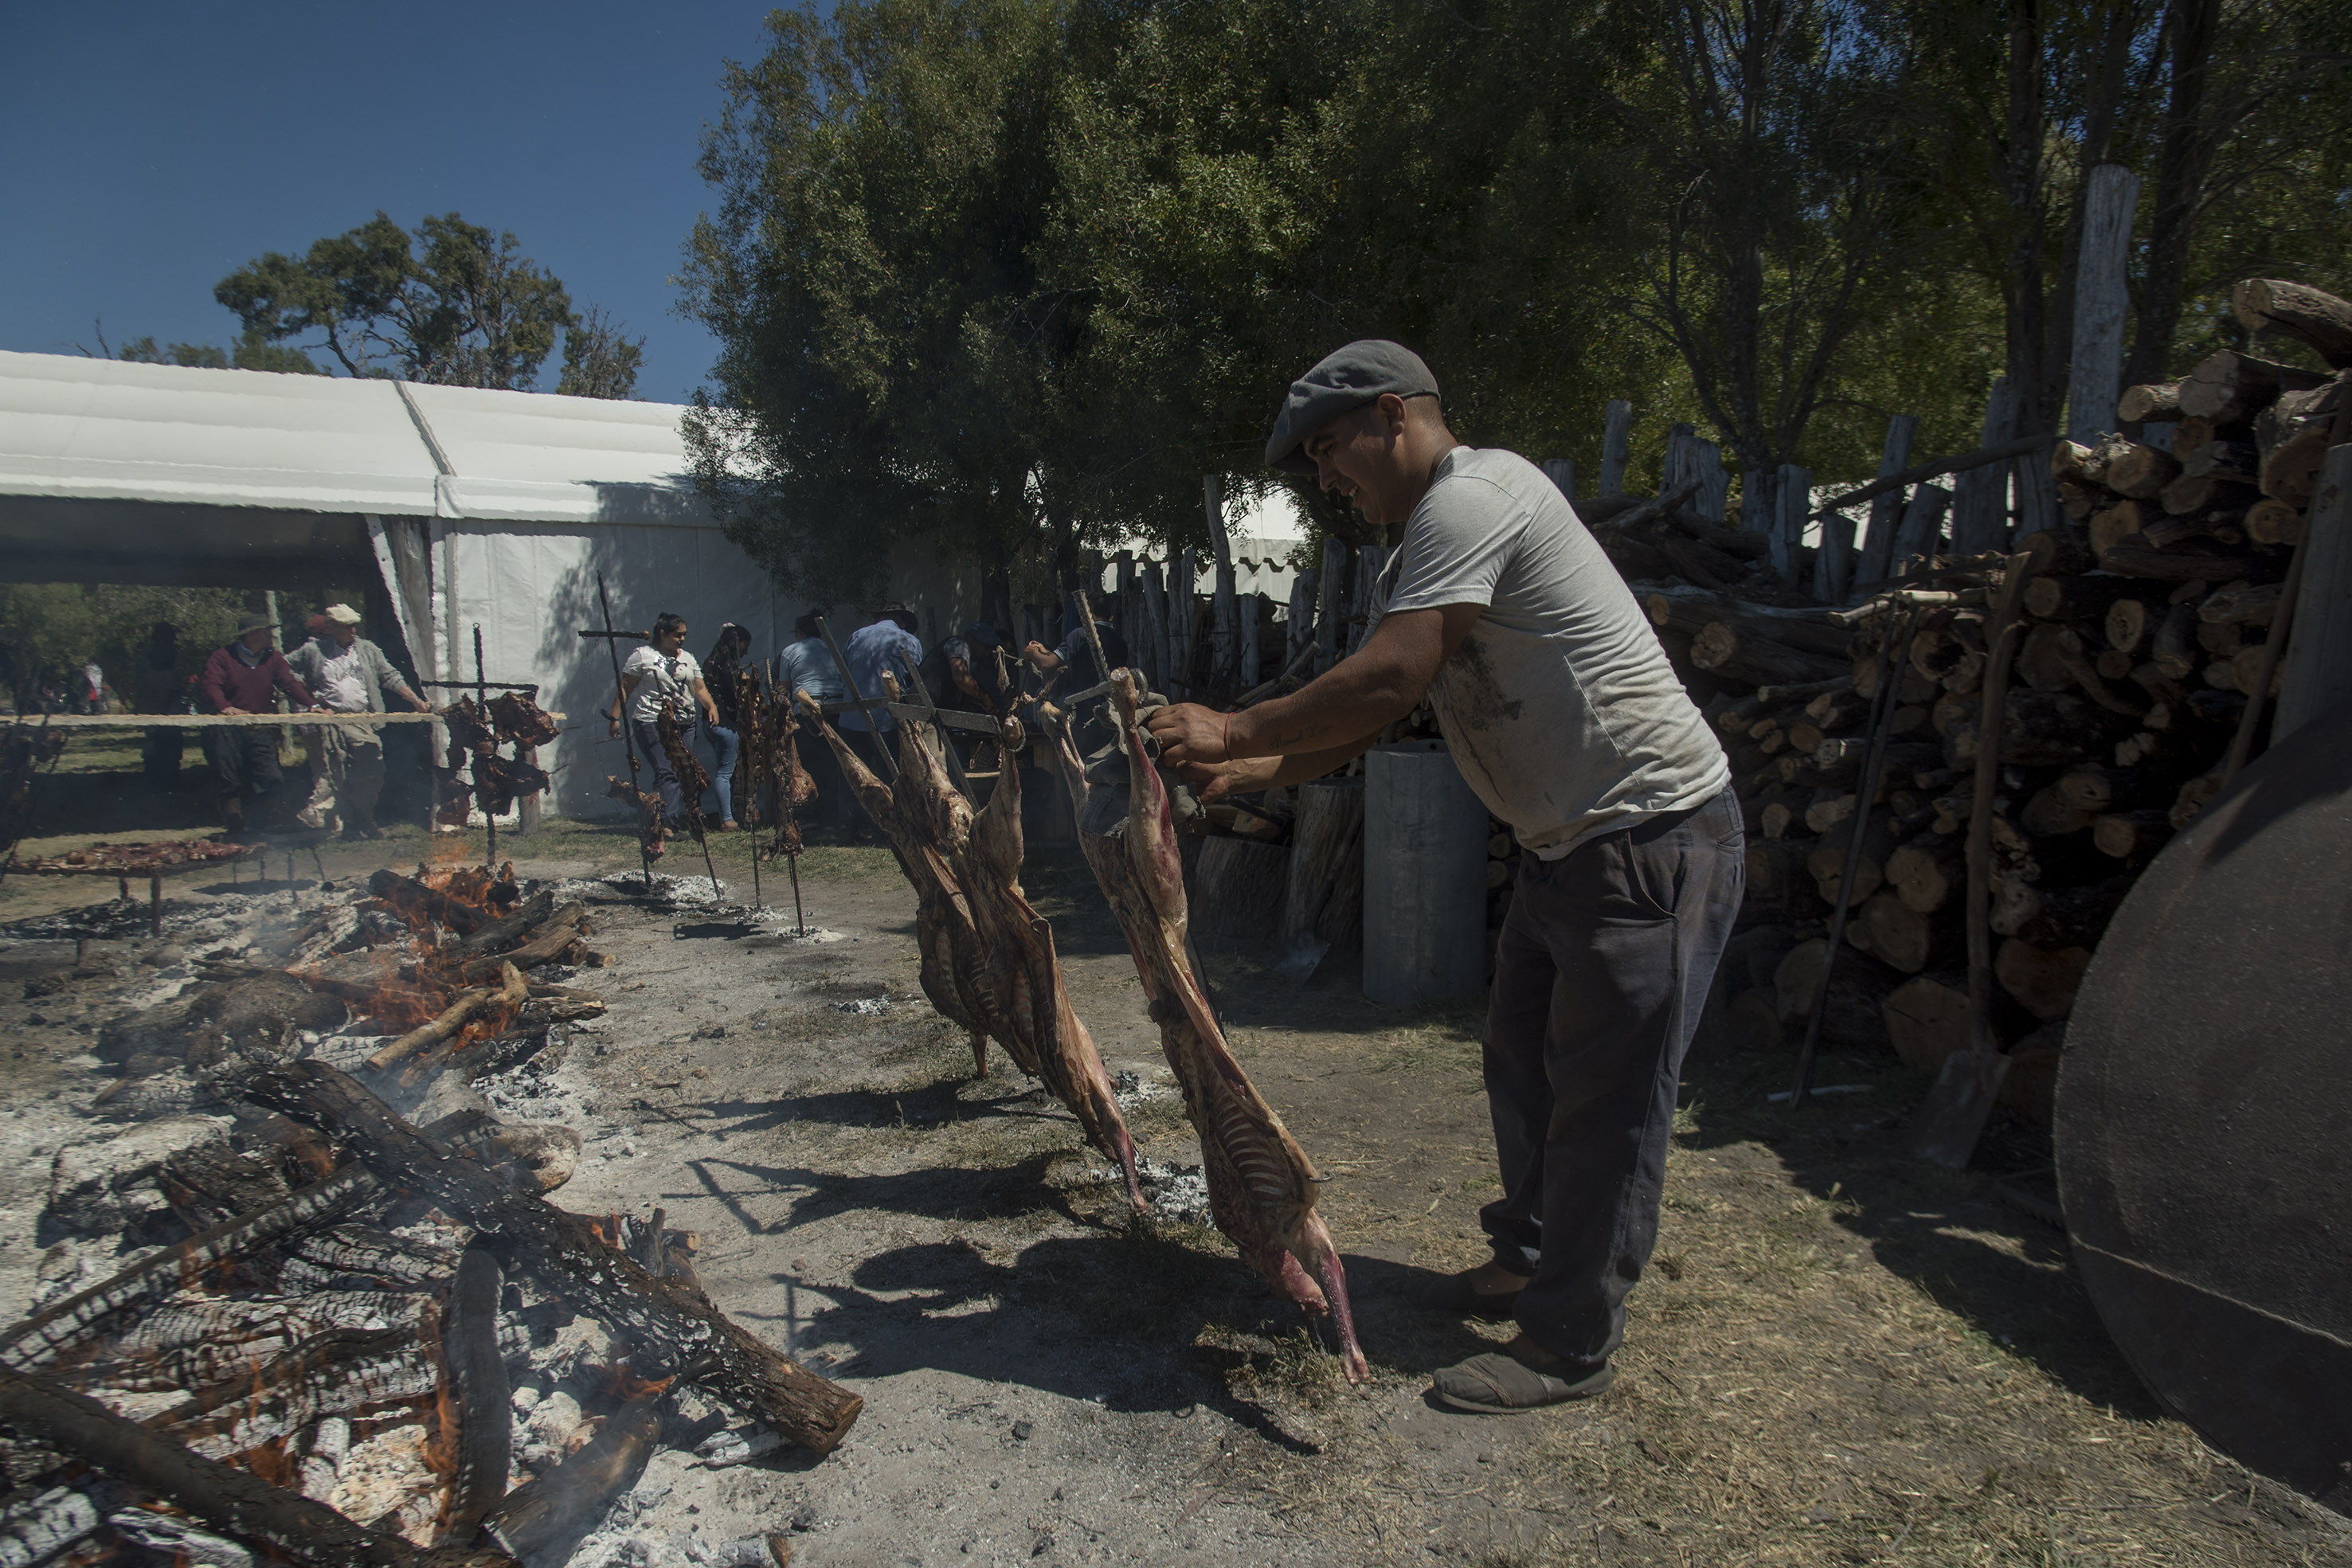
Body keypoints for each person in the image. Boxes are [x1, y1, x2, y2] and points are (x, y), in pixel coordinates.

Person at [1147, 341, 1740, 1414]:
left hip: (1648, 839)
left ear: (1393, 416)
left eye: (1330, 450)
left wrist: (1232, 721)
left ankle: (1567, 1344)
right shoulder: (1421, 545)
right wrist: (1238, 766)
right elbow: (1364, 726)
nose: (1327, 477)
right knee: (1522, 1065)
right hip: (1571, 849)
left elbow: (1387, 676)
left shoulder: (1479, 497)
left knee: (1606, 1104)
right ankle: (1528, 1261)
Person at [286, 603, 432, 839]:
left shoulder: (368, 650)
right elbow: (282, 669)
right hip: (328, 720)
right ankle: (336, 826)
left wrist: (416, 701)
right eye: (347, 627)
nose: (353, 631)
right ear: (332, 628)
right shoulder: (313, 651)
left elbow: (390, 677)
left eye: (354, 626)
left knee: (371, 768)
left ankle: (363, 817)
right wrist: (308, 694)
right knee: (331, 773)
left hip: (361, 718)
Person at [608, 612, 720, 858]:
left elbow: (698, 687)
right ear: (662, 634)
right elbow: (625, 687)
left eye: (684, 635)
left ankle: (673, 820)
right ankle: (665, 824)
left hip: (685, 722)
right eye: (677, 635)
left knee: (684, 771)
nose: (682, 639)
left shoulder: (687, 658)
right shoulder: (642, 656)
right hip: (653, 722)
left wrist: (710, 706)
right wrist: (615, 718)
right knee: (666, 770)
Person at [200, 612, 319, 832]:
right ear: (252, 635)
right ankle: (234, 822)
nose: (271, 636)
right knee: (230, 777)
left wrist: (312, 704)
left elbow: (289, 684)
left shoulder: (272, 658)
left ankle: (268, 821)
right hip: (227, 728)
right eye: (266, 632)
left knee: (271, 776)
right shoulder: (223, 657)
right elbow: (212, 685)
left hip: (259, 725)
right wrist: (225, 707)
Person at [776, 611, 851, 829]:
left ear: (800, 633)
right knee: (834, 763)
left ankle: (816, 814)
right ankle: (835, 813)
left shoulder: (790, 651)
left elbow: (784, 687)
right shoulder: (833, 649)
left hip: (808, 709)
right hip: (836, 708)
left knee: (810, 764)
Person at [836, 604, 923, 768]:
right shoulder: (909, 640)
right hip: (888, 720)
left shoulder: (857, 635)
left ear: (879, 619)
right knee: (892, 776)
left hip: (852, 716)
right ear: (903, 623)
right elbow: (915, 679)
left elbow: (845, 670)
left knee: (853, 775)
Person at [700, 623, 753, 830]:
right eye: (744, 645)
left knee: (724, 771)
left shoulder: (710, 661)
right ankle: (727, 819)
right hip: (725, 725)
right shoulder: (727, 663)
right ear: (737, 641)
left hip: (710, 723)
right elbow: (734, 697)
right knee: (725, 773)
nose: (746, 651)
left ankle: (727, 814)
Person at [135, 622, 187, 787]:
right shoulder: (146, 656)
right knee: (154, 740)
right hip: (153, 702)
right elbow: (141, 680)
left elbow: (182, 679)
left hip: (172, 703)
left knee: (172, 739)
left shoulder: (178, 655)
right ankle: (154, 776)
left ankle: (171, 775)